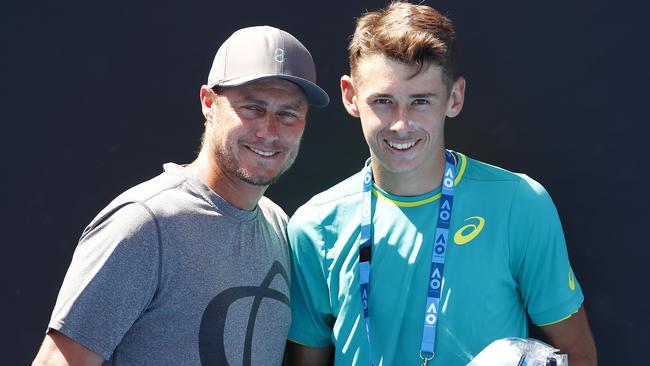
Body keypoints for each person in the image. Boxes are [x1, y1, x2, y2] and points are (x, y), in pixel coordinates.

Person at [285, 2, 596, 365]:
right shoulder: (314, 225)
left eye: (420, 101)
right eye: (383, 101)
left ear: (455, 97)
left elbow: (579, 353)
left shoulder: (519, 203)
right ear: (350, 96)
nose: (401, 124)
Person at [32, 25, 329, 366]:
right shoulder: (144, 223)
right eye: (252, 108)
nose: (268, 131)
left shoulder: (278, 226)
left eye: (288, 113)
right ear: (207, 103)